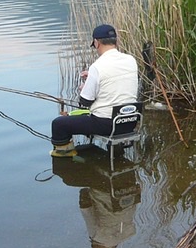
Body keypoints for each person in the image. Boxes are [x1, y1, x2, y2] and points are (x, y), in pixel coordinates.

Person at [50, 24, 138, 157]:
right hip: (130, 121)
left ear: (96, 43)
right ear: (116, 41)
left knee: (58, 124)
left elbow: (85, 101)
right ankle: (116, 154)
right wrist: (92, 77)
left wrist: (85, 86)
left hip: (107, 124)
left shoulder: (97, 66)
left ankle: (65, 161)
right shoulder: (131, 60)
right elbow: (116, 82)